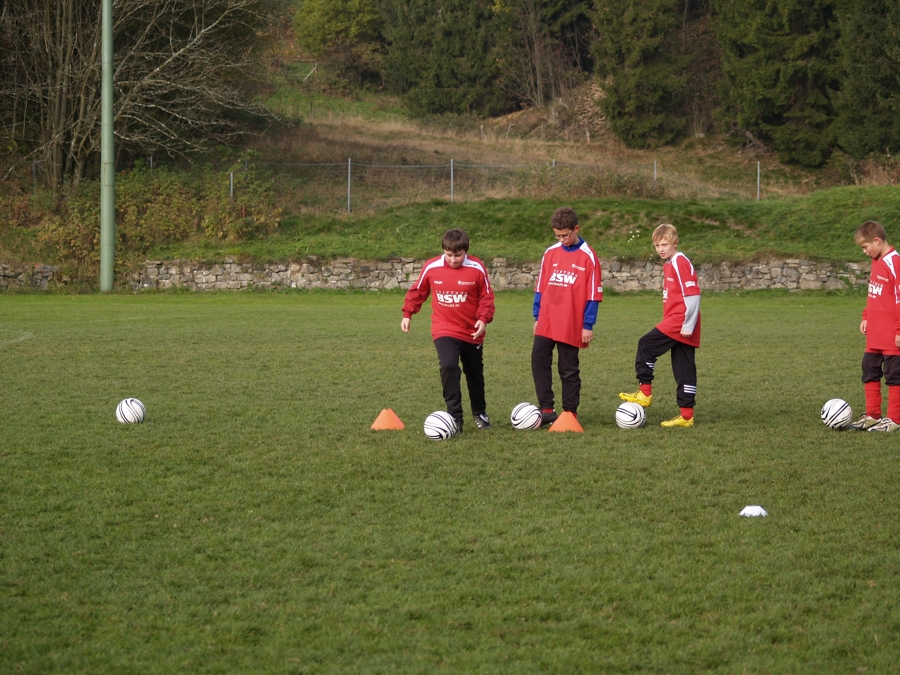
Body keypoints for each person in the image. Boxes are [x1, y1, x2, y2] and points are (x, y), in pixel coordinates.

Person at [401, 228, 495, 432]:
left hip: (472, 330)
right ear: (444, 250)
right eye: (449, 255)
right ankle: (454, 417)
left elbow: (486, 297)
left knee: (474, 373)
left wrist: (483, 319)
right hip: (444, 327)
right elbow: (418, 291)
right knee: (449, 366)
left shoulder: (477, 268)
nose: (453, 260)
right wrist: (408, 313)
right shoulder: (432, 266)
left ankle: (480, 413)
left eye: (458, 255)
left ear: (465, 251)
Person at [619, 223, 700, 428]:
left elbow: (693, 294)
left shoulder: (680, 261)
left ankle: (645, 393)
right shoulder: (670, 263)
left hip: (680, 320)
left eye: (664, 244)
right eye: (657, 245)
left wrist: (688, 324)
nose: (661, 249)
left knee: (646, 345)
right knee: (684, 369)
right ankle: (686, 416)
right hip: (681, 321)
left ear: (675, 242)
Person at [532, 207, 603, 426]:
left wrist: (588, 324)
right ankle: (546, 409)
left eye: (565, 235)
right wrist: (537, 315)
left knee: (568, 367)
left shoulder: (589, 256)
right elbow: (540, 286)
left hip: (571, 321)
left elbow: (593, 294)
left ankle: (570, 412)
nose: (561, 239)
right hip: (547, 317)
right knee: (538, 359)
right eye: (557, 235)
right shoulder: (550, 253)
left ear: (576, 229)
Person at [847, 220, 900, 431]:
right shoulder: (876, 261)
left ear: (877, 241)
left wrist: (899, 330)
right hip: (875, 333)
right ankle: (872, 415)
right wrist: (866, 315)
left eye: (865, 246)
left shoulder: (894, 262)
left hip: (891, 334)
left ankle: (894, 419)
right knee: (869, 369)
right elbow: (875, 292)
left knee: (894, 374)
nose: (864, 251)